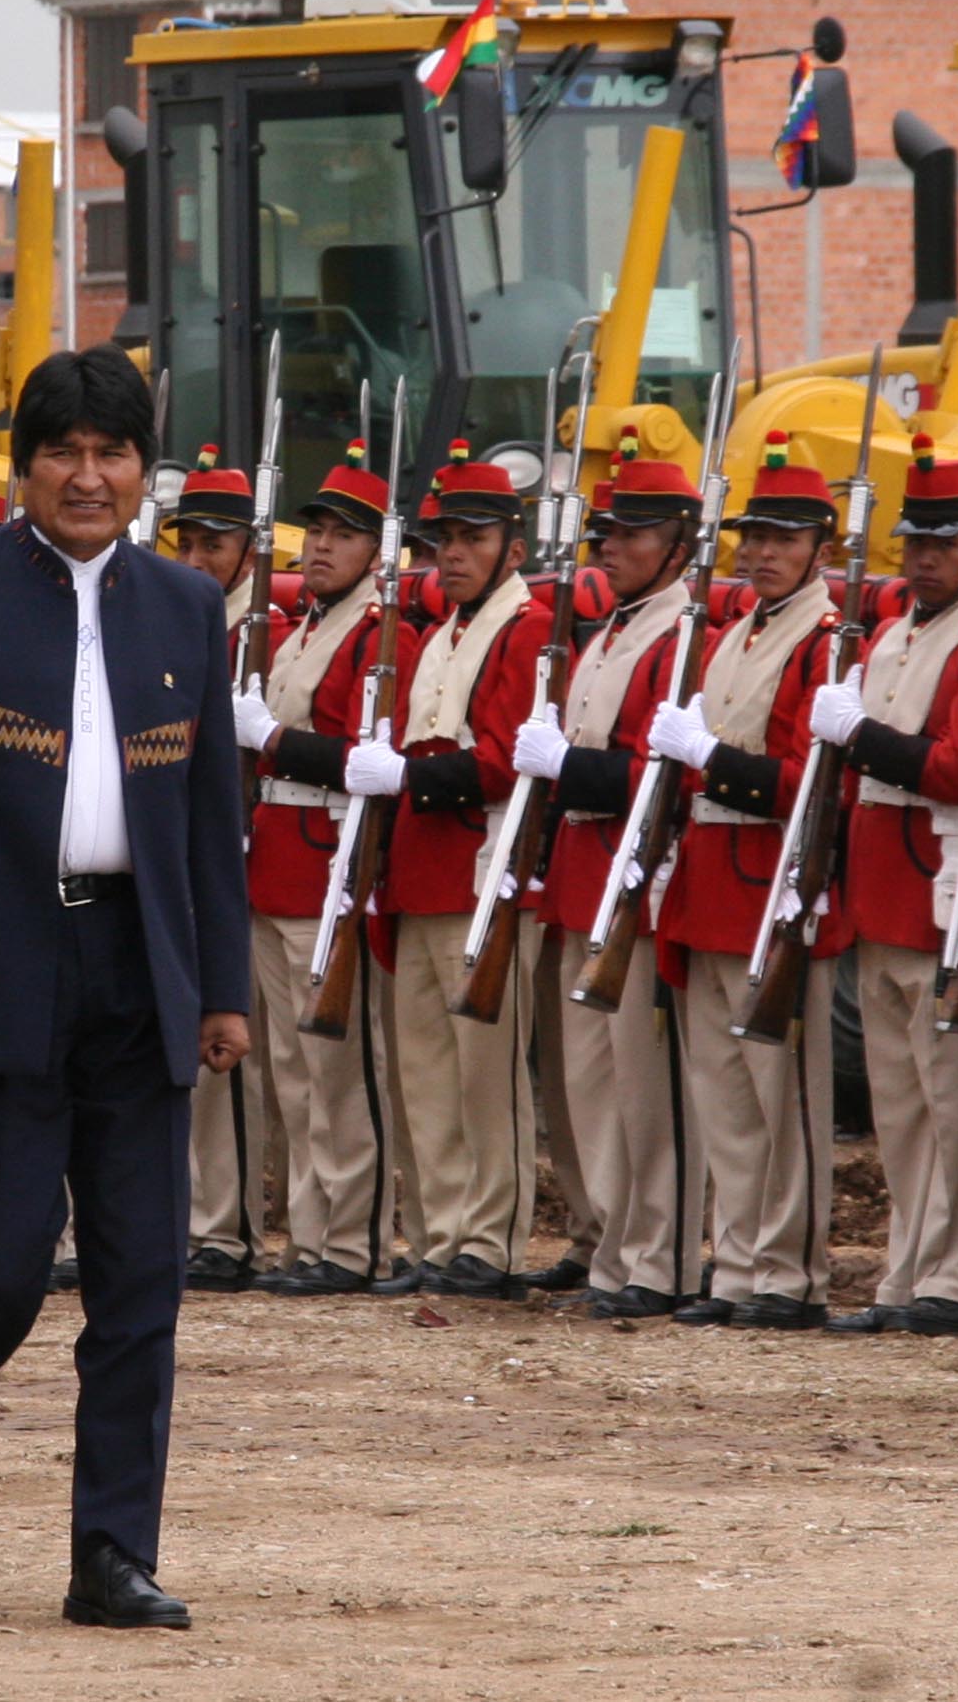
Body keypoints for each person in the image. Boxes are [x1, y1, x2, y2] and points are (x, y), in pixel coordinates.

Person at [0, 347, 251, 1632]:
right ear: (22, 467)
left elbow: (203, 819)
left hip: (141, 973)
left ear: (144, 471)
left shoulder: (185, 606)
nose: (89, 475)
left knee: (142, 1282)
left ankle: (111, 1556)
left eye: (113, 453)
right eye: (64, 452)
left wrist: (223, 988)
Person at [349, 445, 554, 1299]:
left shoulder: (526, 625)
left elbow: (508, 759)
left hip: (480, 871)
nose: (454, 555)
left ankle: (491, 1238)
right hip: (422, 876)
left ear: (513, 546)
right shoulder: (441, 634)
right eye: (444, 542)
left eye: (473, 538)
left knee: (484, 1072)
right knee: (424, 1075)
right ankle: (437, 1233)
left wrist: (407, 775)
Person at [645, 432, 841, 1329]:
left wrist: (710, 758)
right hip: (710, 879)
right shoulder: (728, 635)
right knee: (722, 1091)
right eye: (754, 537)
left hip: (770, 880)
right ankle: (738, 1262)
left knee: (779, 1094)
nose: (763, 553)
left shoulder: (824, 642)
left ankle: (788, 1272)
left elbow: (807, 782)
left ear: (821, 549)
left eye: (784, 539)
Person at [815, 439, 958, 1335]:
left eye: (944, 542)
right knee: (898, 1109)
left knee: (952, 1104)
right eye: (915, 542)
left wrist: (858, 737)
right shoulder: (898, 630)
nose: (924, 558)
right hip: (883, 894)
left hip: (939, 895)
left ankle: (952, 1278)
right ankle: (903, 1271)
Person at [518, 436, 707, 1320]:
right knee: (589, 1083)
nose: (610, 548)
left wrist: (567, 767)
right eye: (606, 535)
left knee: (643, 1084)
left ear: (677, 544)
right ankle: (613, 1247)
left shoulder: (683, 634)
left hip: (638, 869)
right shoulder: (612, 632)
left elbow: (657, 775)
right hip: (582, 871)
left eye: (632, 534)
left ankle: (660, 1256)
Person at [228, 444, 407, 1296]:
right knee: (291, 1076)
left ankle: (351, 1242)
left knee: (339, 1073)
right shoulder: (305, 626)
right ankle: (307, 1235)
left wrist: (271, 739)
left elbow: (361, 756)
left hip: (327, 866)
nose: (323, 546)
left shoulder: (379, 632)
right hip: (274, 867)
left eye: (346, 534)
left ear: (378, 551)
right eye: (320, 530)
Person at [167, 451, 283, 1292]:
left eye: (217, 542)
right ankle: (199, 1216)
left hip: (259, 854)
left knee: (236, 1053)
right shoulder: (179, 613)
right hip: (186, 856)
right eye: (191, 541)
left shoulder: (269, 625)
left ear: (249, 547)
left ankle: (231, 1228)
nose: (201, 557)